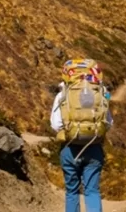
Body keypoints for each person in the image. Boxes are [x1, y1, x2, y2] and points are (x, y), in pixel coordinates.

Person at [52, 59, 113, 212]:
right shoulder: (100, 92)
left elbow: (55, 124)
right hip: (94, 147)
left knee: (72, 192)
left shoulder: (63, 94)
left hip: (69, 148)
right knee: (92, 191)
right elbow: (109, 122)